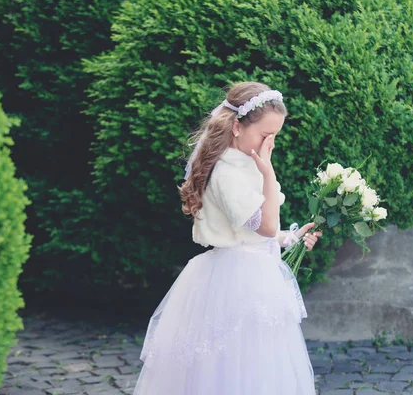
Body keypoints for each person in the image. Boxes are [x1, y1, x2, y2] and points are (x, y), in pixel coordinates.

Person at [132, 81, 322, 395]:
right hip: (233, 284)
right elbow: (265, 225)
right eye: (265, 135)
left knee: (261, 369)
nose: (269, 143)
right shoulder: (226, 173)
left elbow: (260, 234)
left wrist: (292, 238)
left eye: (275, 135)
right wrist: (269, 174)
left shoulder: (246, 164)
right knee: (232, 370)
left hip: (254, 276)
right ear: (237, 127)